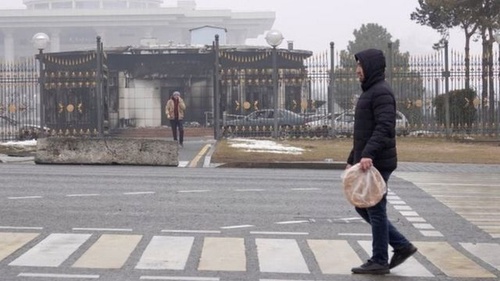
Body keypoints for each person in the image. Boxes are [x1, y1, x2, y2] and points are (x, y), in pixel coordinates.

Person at [347, 48, 417, 275]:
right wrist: (352, 158)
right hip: (369, 159)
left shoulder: (381, 92)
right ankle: (401, 245)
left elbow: (385, 126)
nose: (357, 71)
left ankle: (379, 259)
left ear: (371, 67)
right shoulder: (371, 91)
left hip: (378, 161)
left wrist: (368, 154)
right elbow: (364, 132)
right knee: (364, 206)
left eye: (360, 66)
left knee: (375, 209)